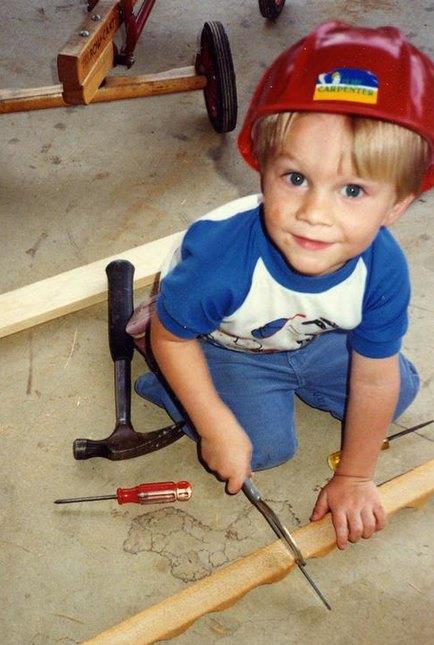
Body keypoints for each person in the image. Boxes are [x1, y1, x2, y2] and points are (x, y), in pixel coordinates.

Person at [127, 21, 433, 550]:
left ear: (396, 206)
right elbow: (176, 339)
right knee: (262, 449)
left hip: (309, 336)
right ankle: (163, 372)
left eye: (353, 190)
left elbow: (374, 379)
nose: (315, 213)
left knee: (398, 388)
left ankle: (250, 377)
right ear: (263, 169)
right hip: (222, 344)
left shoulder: (384, 271)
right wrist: (215, 424)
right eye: (296, 179)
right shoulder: (221, 260)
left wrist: (355, 476)